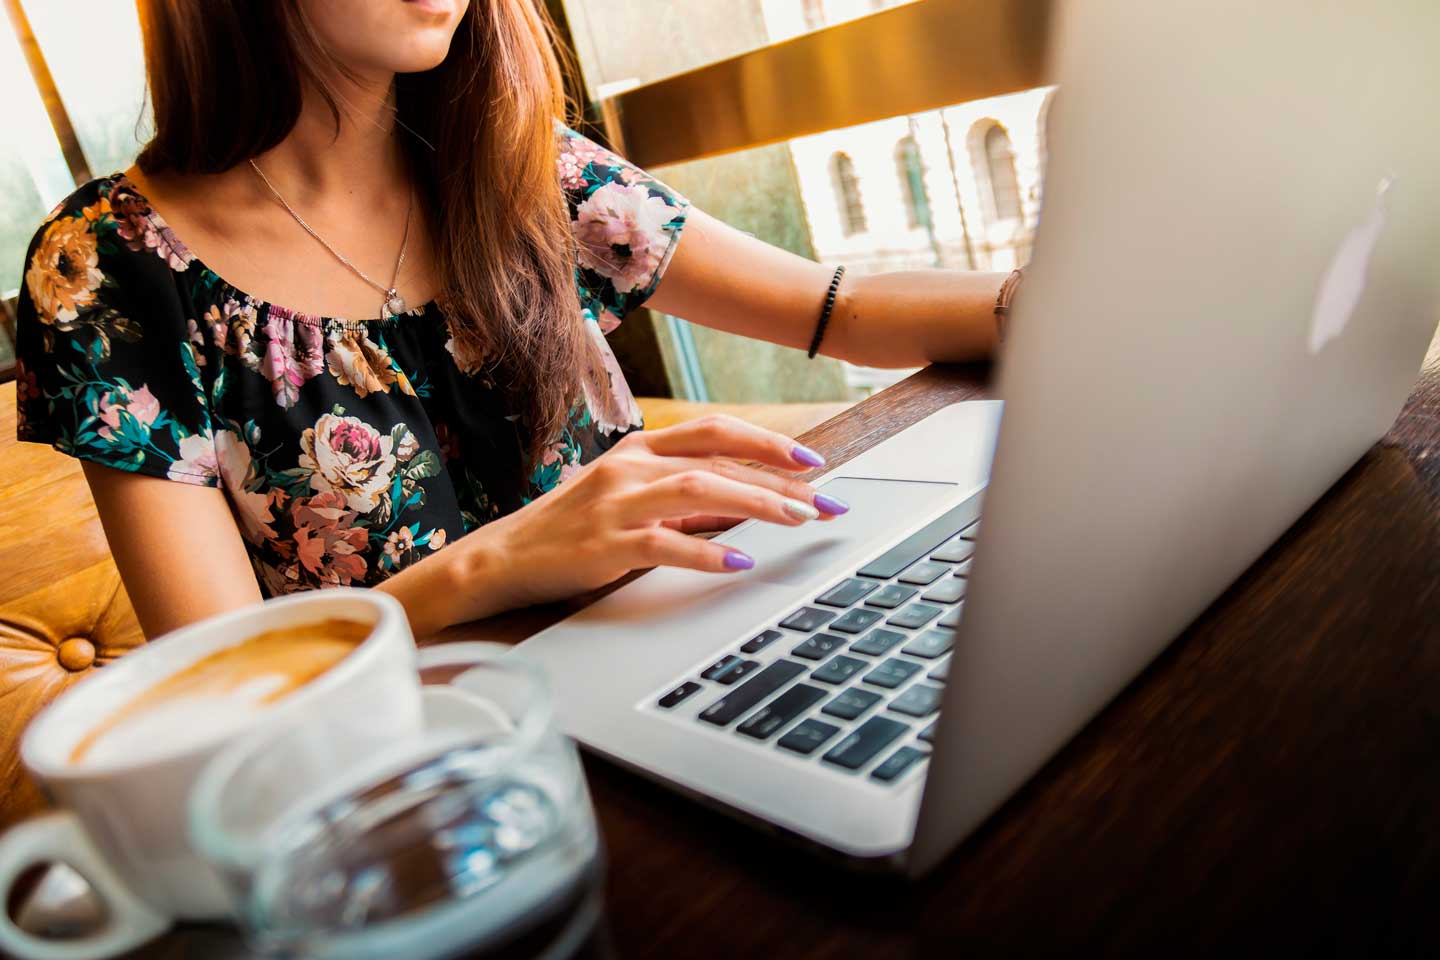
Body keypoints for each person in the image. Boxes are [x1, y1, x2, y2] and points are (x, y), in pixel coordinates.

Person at [14, 0, 1007, 641]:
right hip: (420, 774)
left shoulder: (516, 159)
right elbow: (219, 679)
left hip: (676, 648)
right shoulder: (107, 267)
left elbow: (837, 309)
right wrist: (500, 561)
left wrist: (1054, 298)